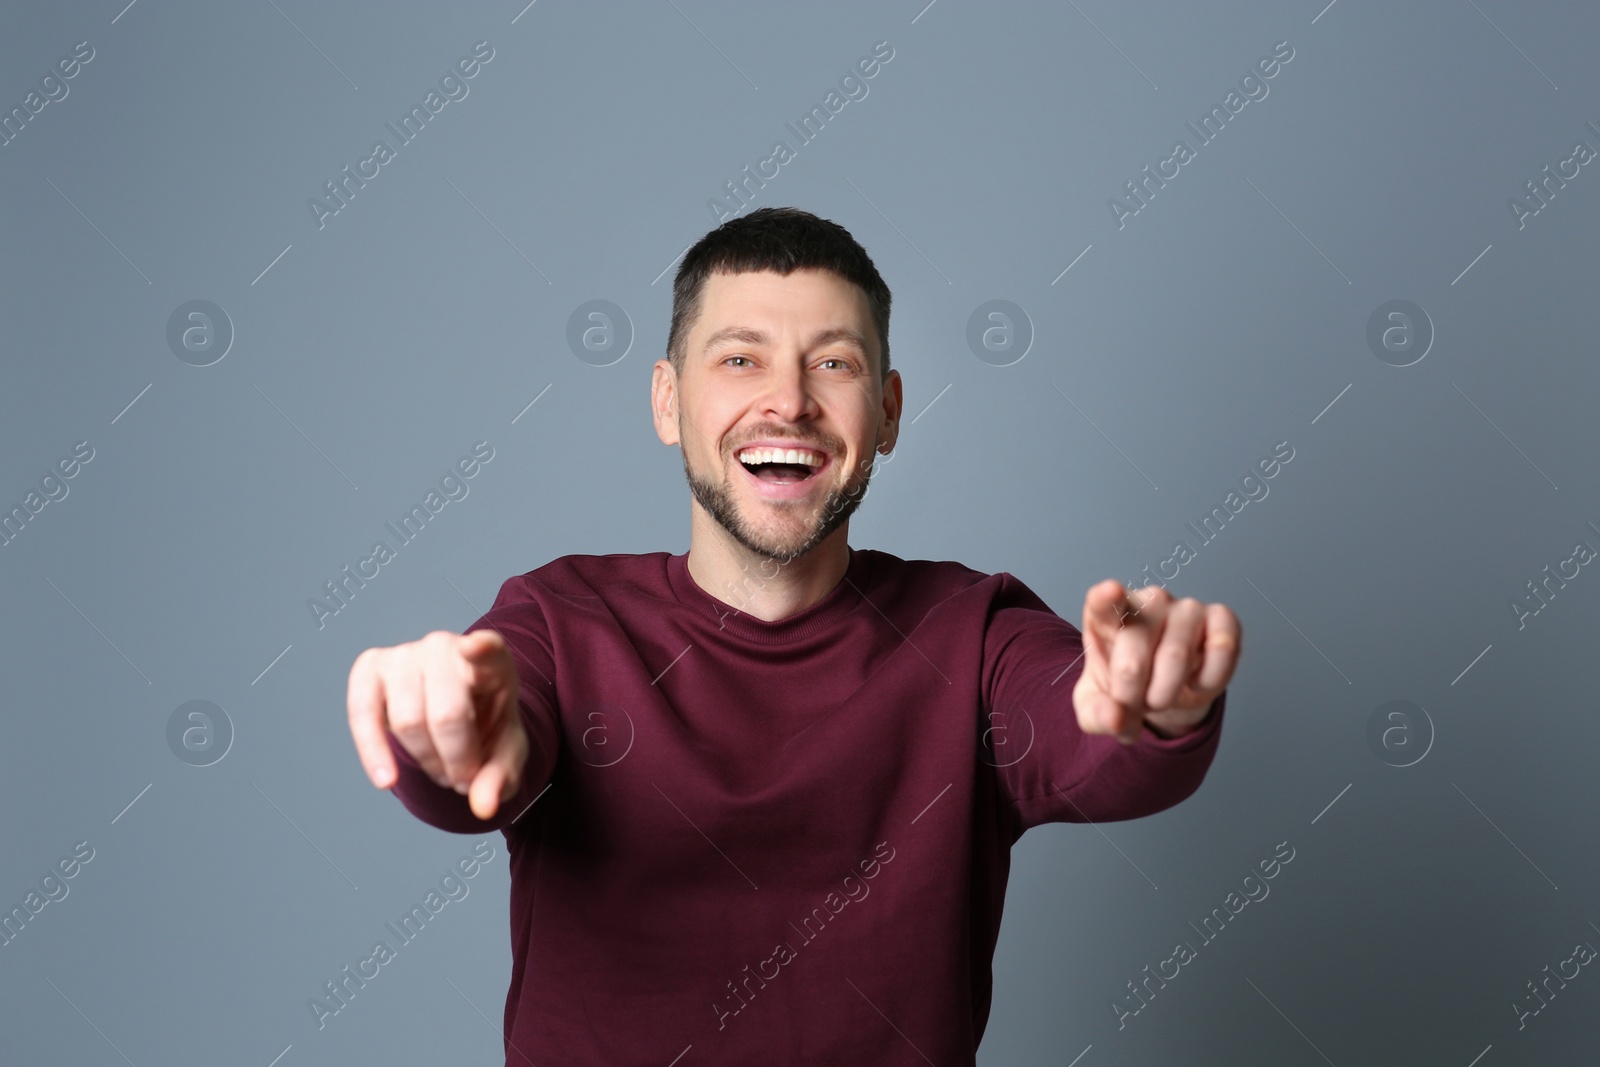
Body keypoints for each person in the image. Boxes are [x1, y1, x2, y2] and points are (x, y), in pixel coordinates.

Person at [345, 206, 1241, 1065]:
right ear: (667, 401)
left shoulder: (972, 631)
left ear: (888, 413)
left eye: (835, 365)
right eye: (740, 358)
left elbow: (1081, 729)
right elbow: (489, 746)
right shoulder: (558, 618)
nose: (789, 401)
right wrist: (449, 735)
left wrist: (1150, 705)